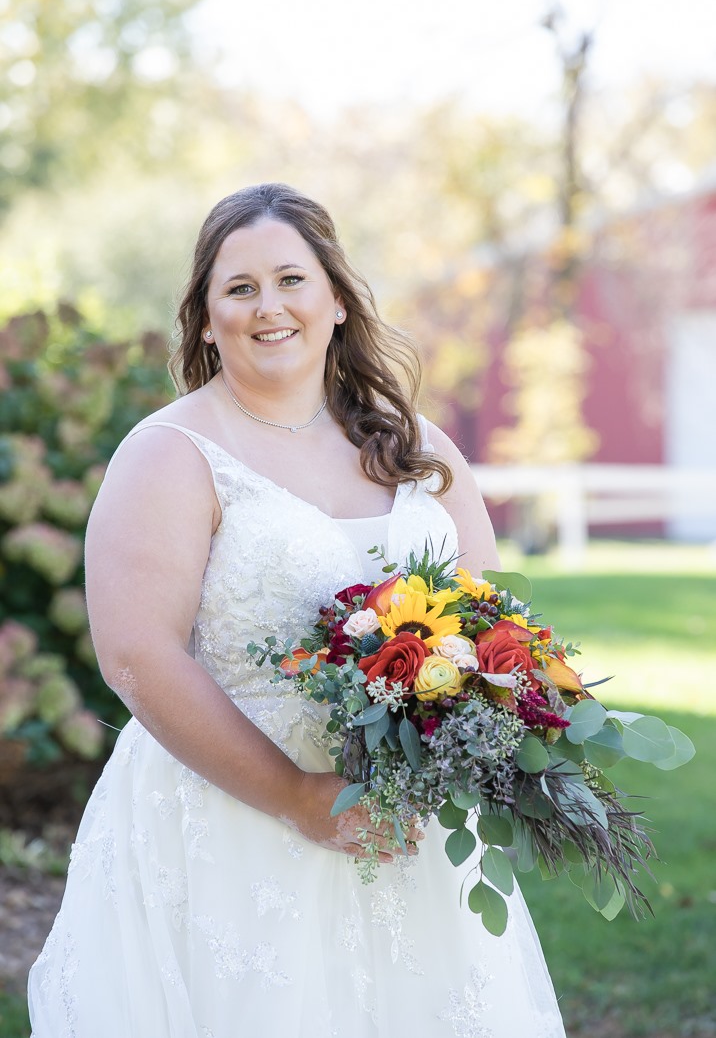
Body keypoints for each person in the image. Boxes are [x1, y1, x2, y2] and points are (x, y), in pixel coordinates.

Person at [28, 183, 566, 1037]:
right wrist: (297, 797)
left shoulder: (421, 449)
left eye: (291, 280)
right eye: (238, 289)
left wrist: (475, 739)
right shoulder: (169, 453)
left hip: (408, 819)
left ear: (338, 300)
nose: (267, 307)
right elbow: (136, 656)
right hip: (231, 819)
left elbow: (492, 627)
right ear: (205, 319)